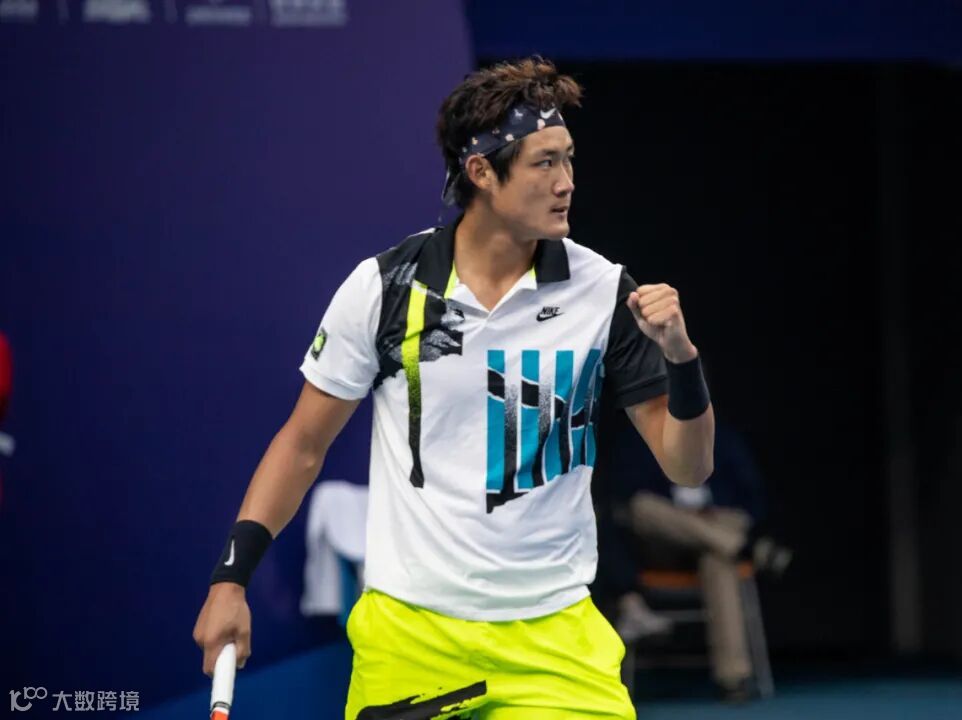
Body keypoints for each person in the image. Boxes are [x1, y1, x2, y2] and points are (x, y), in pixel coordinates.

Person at [192, 56, 715, 719]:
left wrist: (682, 359)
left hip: (555, 641)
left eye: (569, 160)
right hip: (410, 637)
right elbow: (302, 445)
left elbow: (688, 467)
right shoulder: (386, 287)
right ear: (481, 172)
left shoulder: (605, 292)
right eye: (544, 163)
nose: (567, 182)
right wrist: (230, 579)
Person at [612, 416, 790, 701]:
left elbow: (751, 501)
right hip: (666, 541)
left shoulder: (725, 438)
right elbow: (626, 494)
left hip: (716, 526)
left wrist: (712, 515)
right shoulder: (642, 437)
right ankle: (746, 548)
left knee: (718, 560)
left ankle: (733, 679)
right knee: (642, 508)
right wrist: (684, 517)